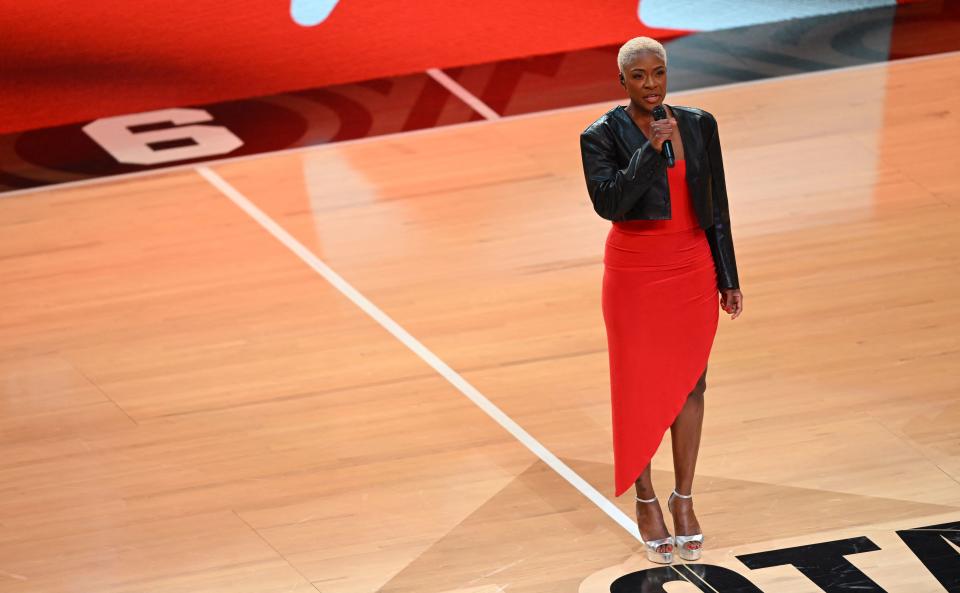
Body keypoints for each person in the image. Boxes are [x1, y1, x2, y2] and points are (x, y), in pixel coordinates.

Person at [578, 36, 743, 564]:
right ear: (621, 81)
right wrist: (650, 150)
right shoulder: (599, 136)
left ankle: (684, 497)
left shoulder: (698, 124)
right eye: (640, 76)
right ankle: (645, 498)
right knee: (638, 387)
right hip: (635, 272)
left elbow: (716, 204)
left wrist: (728, 275)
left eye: (659, 73)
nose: (651, 85)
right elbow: (611, 203)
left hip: (692, 266)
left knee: (693, 381)